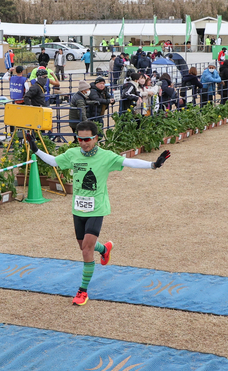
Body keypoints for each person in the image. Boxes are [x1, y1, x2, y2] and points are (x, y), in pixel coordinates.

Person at [26, 122, 171, 306]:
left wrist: (153, 165)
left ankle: (82, 291)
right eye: (80, 139)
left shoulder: (106, 156)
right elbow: (54, 161)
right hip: (78, 209)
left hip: (97, 209)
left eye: (87, 139)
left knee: (87, 250)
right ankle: (104, 249)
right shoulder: (72, 154)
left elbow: (128, 162)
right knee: (83, 246)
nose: (83, 143)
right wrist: (36, 149)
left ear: (95, 138)